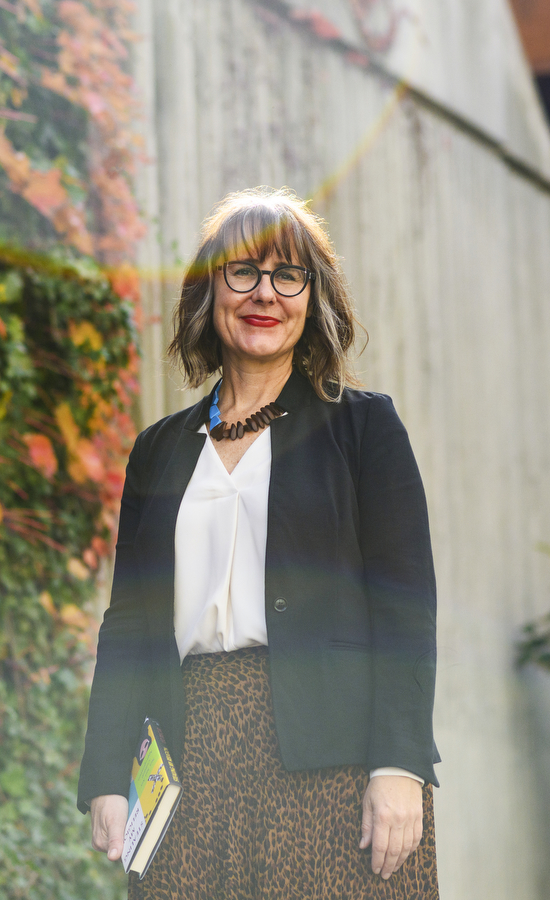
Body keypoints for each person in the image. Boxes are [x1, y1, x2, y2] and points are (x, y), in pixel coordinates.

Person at [78, 186, 439, 899]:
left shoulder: (364, 430)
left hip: (331, 754)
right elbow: (127, 622)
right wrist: (105, 773)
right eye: (242, 273)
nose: (263, 294)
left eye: (288, 275)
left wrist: (399, 763)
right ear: (211, 293)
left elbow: (406, 610)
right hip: (186, 752)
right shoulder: (158, 450)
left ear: (314, 297)